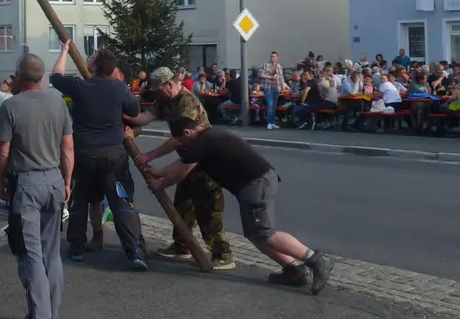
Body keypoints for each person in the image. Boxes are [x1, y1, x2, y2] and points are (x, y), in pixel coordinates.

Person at [142, 117, 332, 293]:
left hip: (256, 183)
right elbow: (181, 164)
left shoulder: (204, 140)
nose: (183, 147)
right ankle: (294, 270)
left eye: (182, 142)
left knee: (265, 233)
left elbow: (178, 173)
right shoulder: (209, 137)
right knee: (255, 234)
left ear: (188, 132)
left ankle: (315, 259)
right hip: (254, 184)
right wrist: (158, 173)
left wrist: (159, 183)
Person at [0, 53, 74, 319]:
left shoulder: (11, 106)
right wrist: (66, 181)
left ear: (19, 76)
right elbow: (68, 148)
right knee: (52, 252)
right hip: (53, 179)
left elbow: (2, 151)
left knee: (31, 253)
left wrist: (1, 182)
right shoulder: (57, 102)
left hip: (27, 182)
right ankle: (51, 314)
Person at [124, 67, 233, 270]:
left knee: (209, 207)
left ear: (169, 84)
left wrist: (148, 155)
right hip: (188, 160)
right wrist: (126, 119)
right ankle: (182, 244)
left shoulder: (187, 102)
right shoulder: (166, 99)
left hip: (205, 160)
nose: (157, 93)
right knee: (183, 204)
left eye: (159, 89)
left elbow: (177, 140)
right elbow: (146, 117)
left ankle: (223, 254)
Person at [50, 45, 145, 269]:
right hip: (113, 155)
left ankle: (76, 248)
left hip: (84, 153)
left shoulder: (81, 86)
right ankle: (134, 252)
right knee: (120, 202)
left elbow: (55, 77)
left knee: (80, 201)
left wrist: (64, 51)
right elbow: (134, 112)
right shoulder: (120, 90)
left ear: (93, 66)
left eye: (91, 58)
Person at [259, 52, 287, 129]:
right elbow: (260, 74)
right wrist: (270, 77)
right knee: (270, 105)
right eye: (271, 56)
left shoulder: (279, 66)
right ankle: (269, 123)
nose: (272, 58)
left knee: (274, 106)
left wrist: (283, 87)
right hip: (268, 87)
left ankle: (272, 122)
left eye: (274, 57)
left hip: (276, 87)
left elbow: (281, 78)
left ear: (277, 57)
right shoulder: (265, 65)